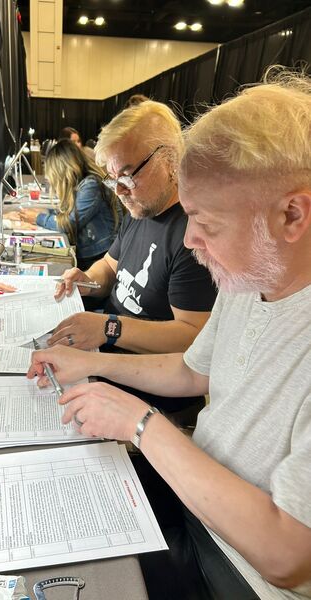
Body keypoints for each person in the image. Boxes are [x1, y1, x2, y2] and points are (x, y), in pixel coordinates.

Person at [28, 68, 311, 598]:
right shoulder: (249, 280)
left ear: (292, 214)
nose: (194, 241)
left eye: (207, 222)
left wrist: (141, 424)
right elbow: (191, 369)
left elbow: (288, 556)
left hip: (235, 572)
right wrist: (92, 365)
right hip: (190, 500)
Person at [50, 101, 216, 356]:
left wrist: (110, 328)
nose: (119, 191)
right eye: (113, 179)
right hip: (104, 353)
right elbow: (108, 265)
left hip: (144, 382)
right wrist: (89, 280)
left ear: (169, 160)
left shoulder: (193, 234)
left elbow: (192, 336)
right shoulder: (140, 209)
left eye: (127, 176)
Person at [19, 139, 123, 270]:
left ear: (62, 169)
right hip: (90, 254)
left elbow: (69, 223)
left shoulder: (91, 185)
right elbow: (63, 212)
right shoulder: (80, 184)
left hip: (99, 257)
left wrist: (37, 218)